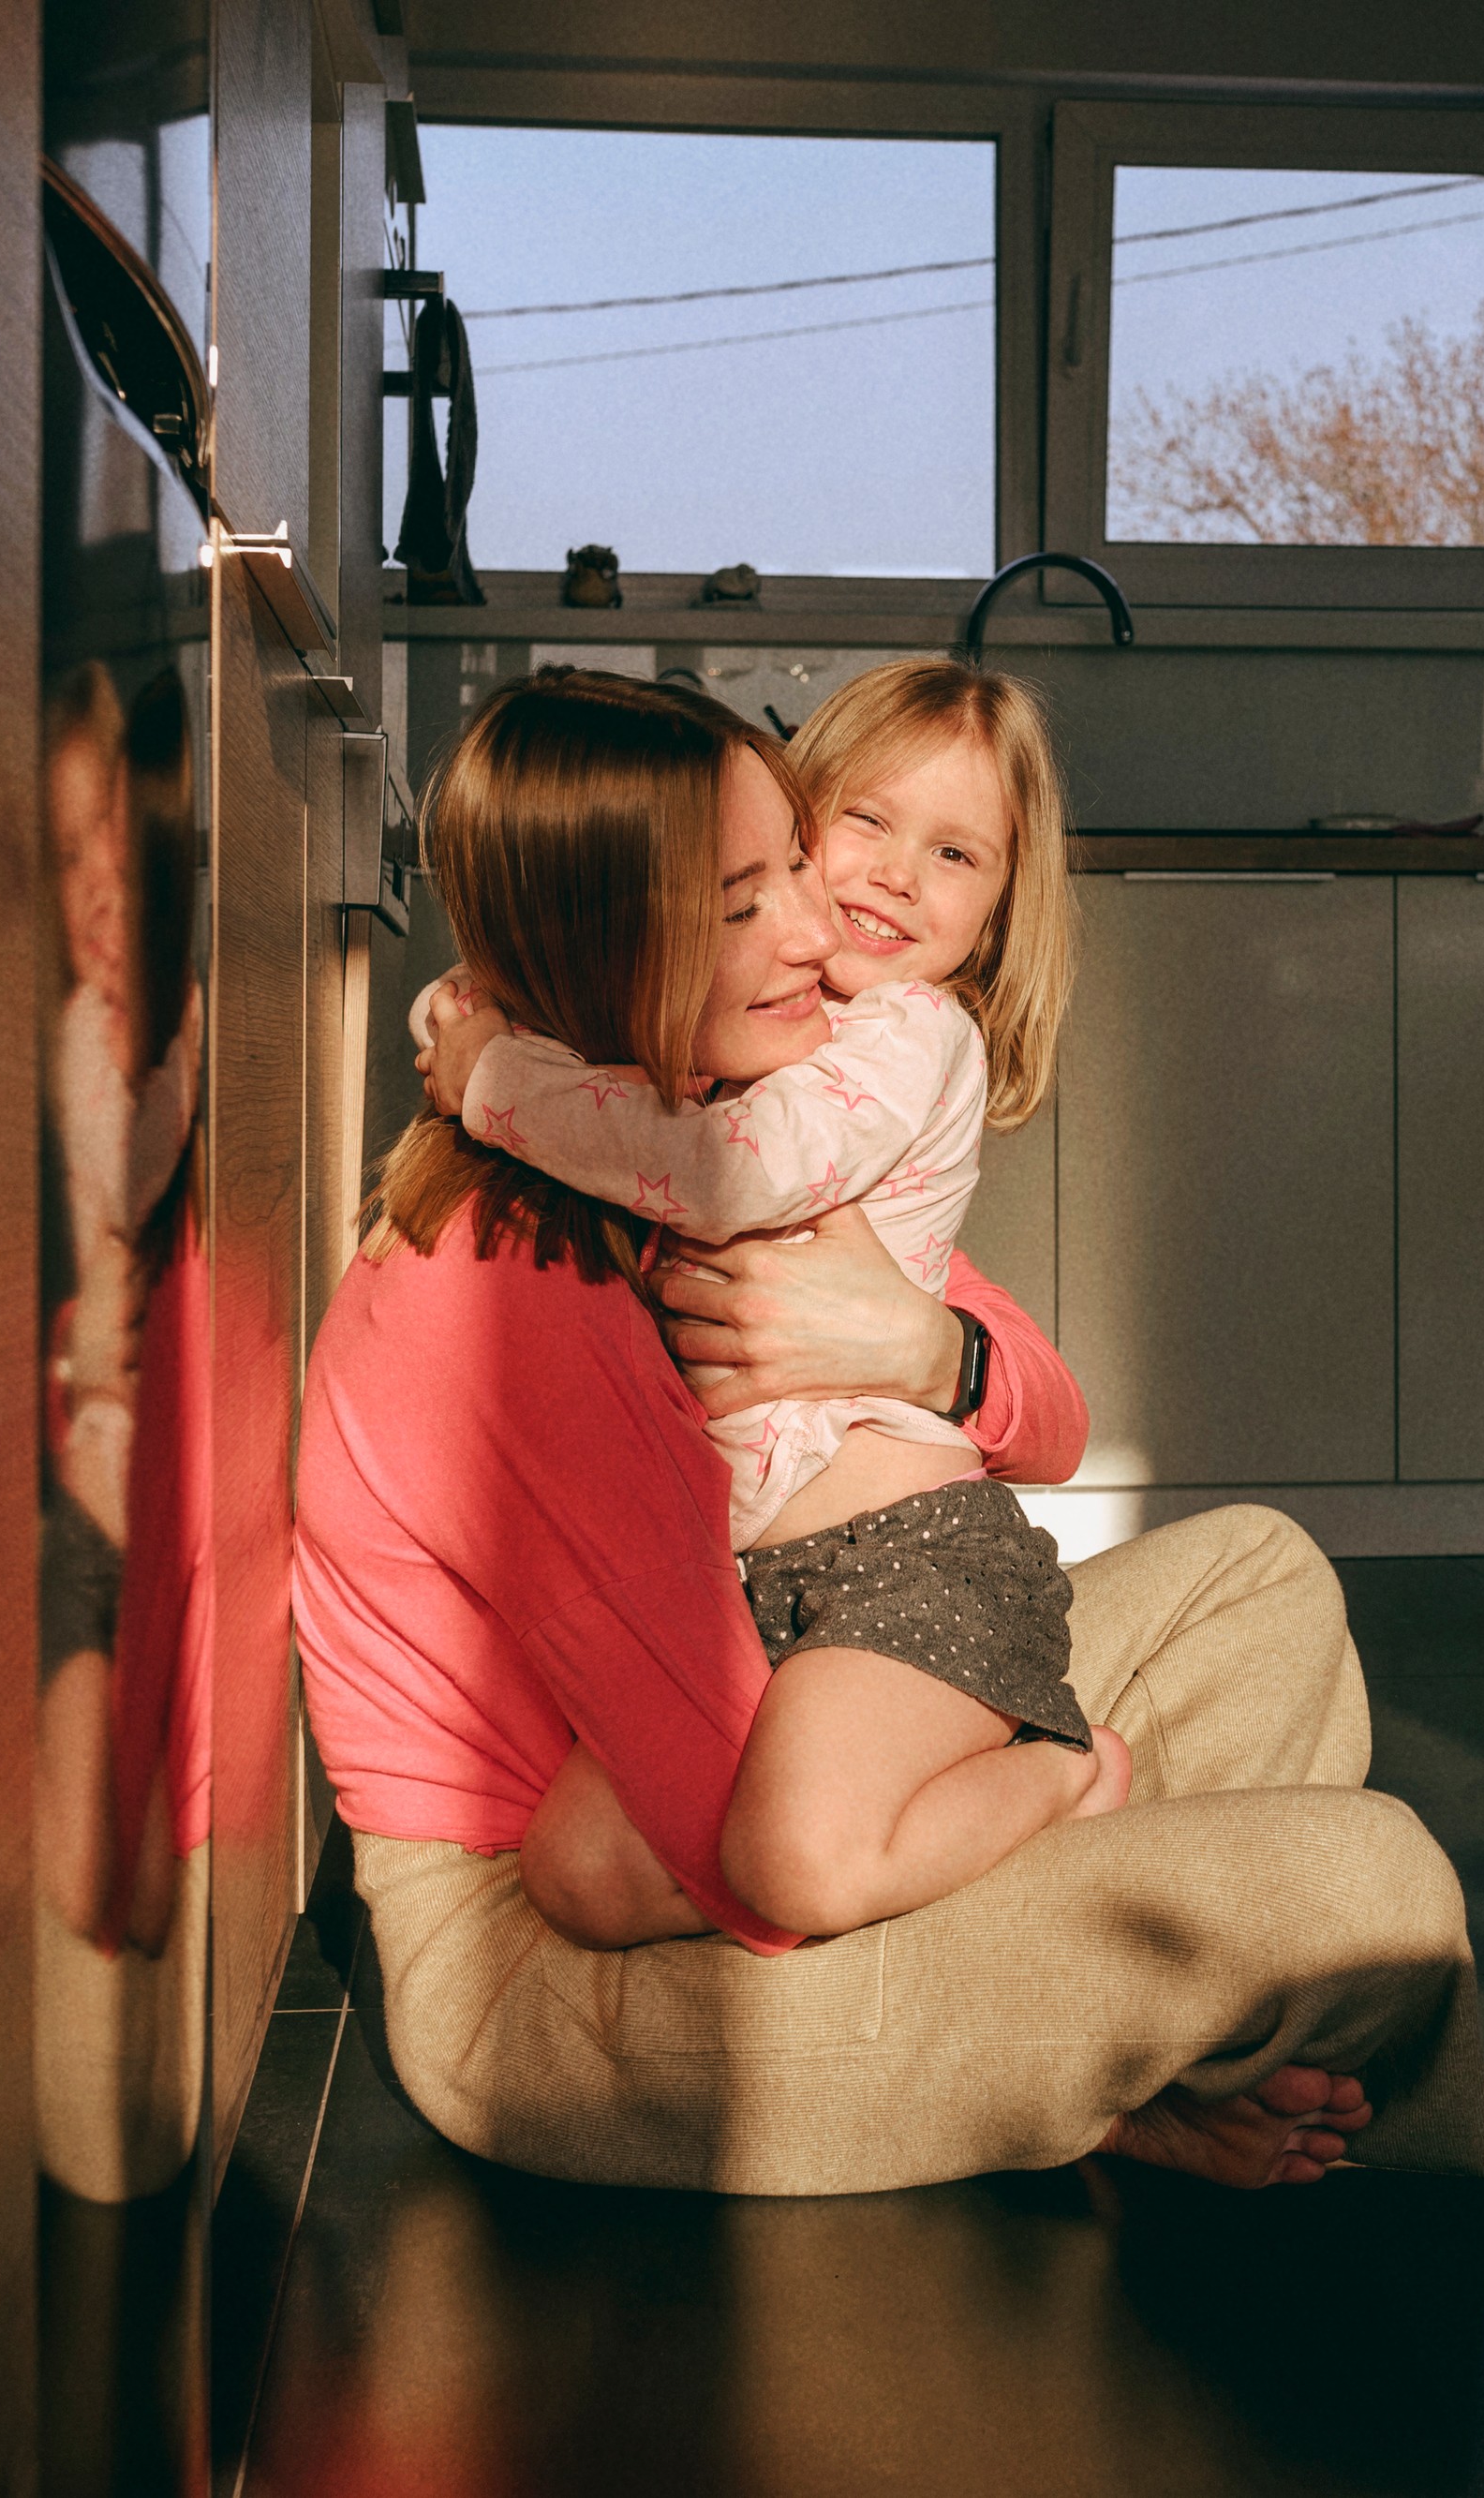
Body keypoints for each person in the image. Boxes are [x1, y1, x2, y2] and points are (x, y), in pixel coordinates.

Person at [294, 667, 1484, 2197]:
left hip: (801, 1663)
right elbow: (750, 1827)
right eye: (761, 891)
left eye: (794, 862)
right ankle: (1106, 2061)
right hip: (558, 1956)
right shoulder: (523, 1272)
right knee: (1367, 1883)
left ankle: (1077, 2045)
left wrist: (928, 1346)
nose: (826, 921)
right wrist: (1048, 1964)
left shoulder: (763, 1092)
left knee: (1258, 1573)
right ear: (619, 942)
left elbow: (1044, 1418)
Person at [414, 662, 1135, 1940]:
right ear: (790, 831)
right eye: (863, 821)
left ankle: (1064, 1774)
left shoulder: (909, 1037)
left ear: (999, 909)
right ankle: (890, 1861)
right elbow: (633, 1064)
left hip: (911, 1567)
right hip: (736, 1580)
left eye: (956, 852)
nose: (896, 874)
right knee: (580, 1870)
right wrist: (500, 1003)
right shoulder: (753, 1012)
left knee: (799, 1860)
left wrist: (494, 1079)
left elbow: (717, 1169)